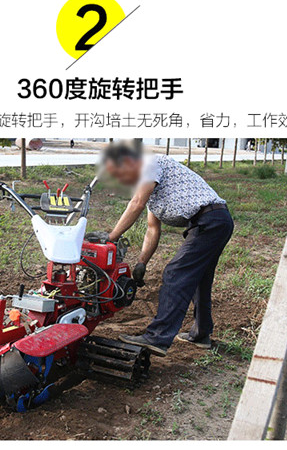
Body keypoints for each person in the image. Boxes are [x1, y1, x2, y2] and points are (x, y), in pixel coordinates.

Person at [88, 144, 234, 356]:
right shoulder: (154, 190)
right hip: (216, 222)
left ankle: (157, 337)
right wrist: (142, 263)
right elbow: (152, 229)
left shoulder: (150, 163)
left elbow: (136, 203)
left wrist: (111, 238)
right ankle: (201, 334)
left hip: (210, 221)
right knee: (199, 279)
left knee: (175, 274)